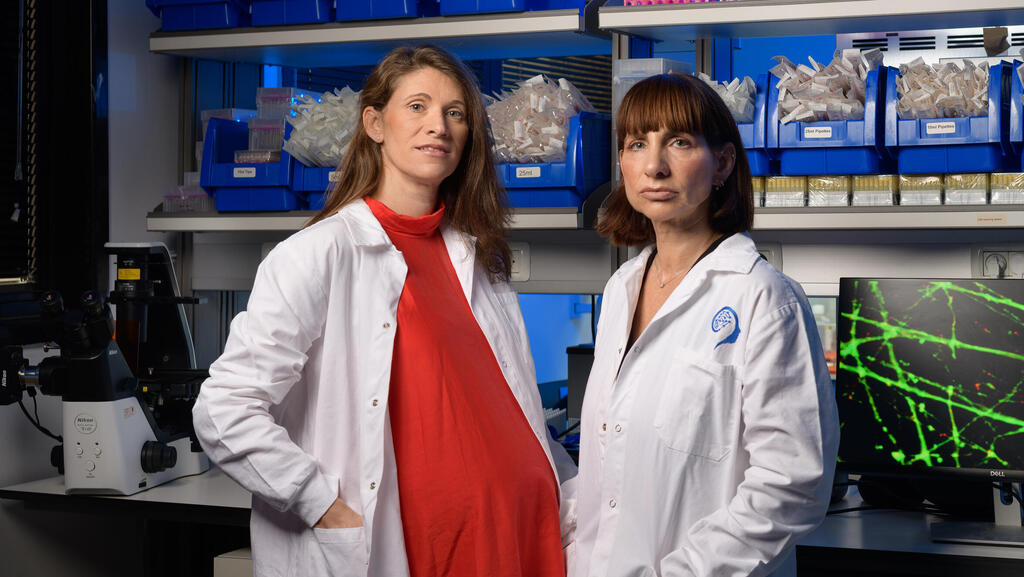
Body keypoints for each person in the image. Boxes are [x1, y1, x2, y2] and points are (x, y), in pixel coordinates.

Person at [193, 45, 577, 577]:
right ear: (374, 123)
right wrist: (320, 505)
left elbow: (508, 403)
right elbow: (223, 411)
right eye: (417, 106)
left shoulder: (478, 257)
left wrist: (563, 486)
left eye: (455, 113)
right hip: (416, 548)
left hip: (521, 536)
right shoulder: (319, 254)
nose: (437, 126)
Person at [570, 73, 839, 577]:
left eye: (679, 142)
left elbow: (792, 485)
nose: (654, 165)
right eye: (636, 144)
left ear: (723, 163)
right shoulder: (620, 289)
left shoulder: (763, 297)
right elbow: (608, 463)